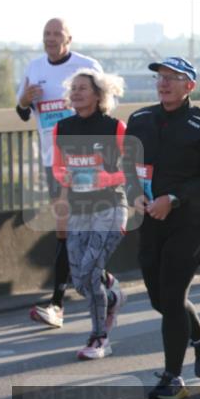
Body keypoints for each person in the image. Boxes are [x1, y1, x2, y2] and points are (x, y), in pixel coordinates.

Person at [124, 57, 200, 399]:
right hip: (152, 218)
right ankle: (199, 335)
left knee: (171, 297)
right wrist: (134, 196)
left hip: (191, 219)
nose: (164, 83)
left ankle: (173, 378)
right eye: (160, 77)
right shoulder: (139, 119)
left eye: (173, 78)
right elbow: (127, 167)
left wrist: (175, 198)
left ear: (190, 86)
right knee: (159, 298)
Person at [16, 18, 102, 329]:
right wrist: (25, 101)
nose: (50, 39)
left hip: (88, 162)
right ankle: (62, 302)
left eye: (57, 34)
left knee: (81, 230)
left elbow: (105, 109)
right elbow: (22, 111)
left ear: (69, 38)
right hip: (55, 164)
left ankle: (59, 302)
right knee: (68, 231)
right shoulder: (34, 67)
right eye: (46, 34)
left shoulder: (87, 66)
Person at [52, 69, 130, 359]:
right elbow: (59, 167)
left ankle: (99, 339)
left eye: (82, 88)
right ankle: (111, 295)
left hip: (110, 207)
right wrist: (66, 178)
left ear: (99, 95)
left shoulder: (115, 127)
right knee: (79, 278)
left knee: (89, 273)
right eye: (73, 88)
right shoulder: (62, 128)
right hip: (78, 209)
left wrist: (101, 177)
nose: (76, 93)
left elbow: (132, 167)